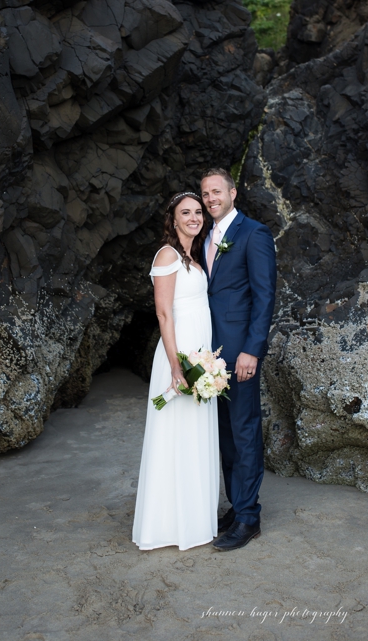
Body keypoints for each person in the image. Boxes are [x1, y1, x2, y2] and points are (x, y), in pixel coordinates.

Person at [132, 192, 220, 551]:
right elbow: (164, 313)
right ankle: (168, 526)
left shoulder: (193, 256)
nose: (194, 218)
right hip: (179, 357)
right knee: (175, 436)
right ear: (173, 219)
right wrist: (175, 365)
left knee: (194, 435)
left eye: (198, 212)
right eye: (186, 213)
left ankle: (196, 518)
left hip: (200, 356)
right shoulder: (167, 255)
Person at [200, 168, 276, 551]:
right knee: (225, 434)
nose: (211, 198)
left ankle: (249, 517)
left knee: (244, 431)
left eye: (217, 191)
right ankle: (236, 504)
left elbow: (264, 297)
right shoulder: (205, 238)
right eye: (205, 194)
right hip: (211, 354)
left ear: (232, 193)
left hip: (241, 352)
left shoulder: (254, 234)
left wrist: (252, 350)